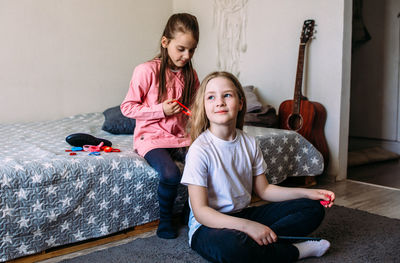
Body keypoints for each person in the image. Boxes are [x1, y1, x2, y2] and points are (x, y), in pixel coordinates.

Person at [181, 71, 335, 262]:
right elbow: (201, 212)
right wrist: (248, 227)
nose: (219, 102)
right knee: (231, 247)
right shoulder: (199, 150)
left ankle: (261, 243)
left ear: (240, 103)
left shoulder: (249, 143)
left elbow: (265, 190)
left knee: (313, 209)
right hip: (208, 226)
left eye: (227, 95)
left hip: (243, 214)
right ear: (203, 106)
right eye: (211, 97)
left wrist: (308, 193)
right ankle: (294, 251)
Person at [120, 13, 200, 239]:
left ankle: (189, 212)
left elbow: (196, 106)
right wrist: (160, 110)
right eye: (181, 49)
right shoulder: (146, 70)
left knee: (206, 164)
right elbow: (127, 108)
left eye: (191, 50)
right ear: (165, 42)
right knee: (170, 173)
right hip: (152, 138)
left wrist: (197, 114)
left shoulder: (191, 75)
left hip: (181, 137)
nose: (186, 56)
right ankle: (166, 220)